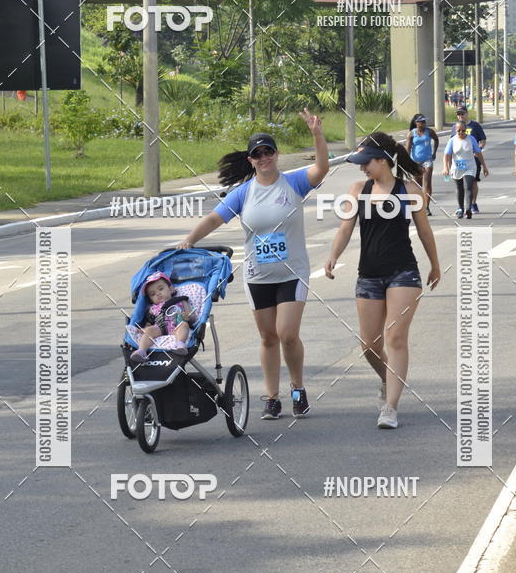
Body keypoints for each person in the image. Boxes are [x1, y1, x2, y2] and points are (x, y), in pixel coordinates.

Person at [177, 111, 329, 420]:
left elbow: (322, 169)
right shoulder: (244, 193)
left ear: (276, 154)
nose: (264, 158)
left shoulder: (294, 183)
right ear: (250, 160)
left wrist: (316, 134)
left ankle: (297, 388)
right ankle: (272, 397)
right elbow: (214, 218)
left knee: (287, 333)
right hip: (258, 275)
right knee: (268, 337)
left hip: (292, 272)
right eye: (257, 154)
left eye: (268, 152)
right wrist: (189, 240)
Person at [324, 133, 441, 430]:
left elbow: (424, 231)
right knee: (369, 345)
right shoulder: (357, 190)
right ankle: (387, 379)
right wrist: (332, 256)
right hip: (369, 275)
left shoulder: (409, 189)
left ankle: (390, 407)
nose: (362, 168)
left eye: (367, 163)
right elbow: (345, 229)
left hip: (404, 273)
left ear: (384, 161)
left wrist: (435, 265)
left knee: (396, 337)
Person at [130, 272, 194, 362]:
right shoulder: (152, 308)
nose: (158, 294)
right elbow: (150, 321)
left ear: (171, 289)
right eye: (153, 294)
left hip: (177, 326)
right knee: (149, 331)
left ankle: (179, 344)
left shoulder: (180, 301)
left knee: (184, 325)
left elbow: (192, 316)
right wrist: (145, 328)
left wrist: (188, 317)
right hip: (159, 329)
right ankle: (141, 351)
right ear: (150, 299)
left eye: (161, 289)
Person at [444, 122, 489, 218]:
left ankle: (468, 209)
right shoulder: (452, 141)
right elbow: (447, 155)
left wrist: (484, 167)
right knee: (459, 189)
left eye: (463, 130)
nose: (461, 132)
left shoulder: (471, 139)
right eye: (458, 130)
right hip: (457, 167)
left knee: (468, 186)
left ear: (466, 130)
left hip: (470, 166)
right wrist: (446, 167)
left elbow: (479, 153)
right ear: (456, 130)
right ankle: (460, 208)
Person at [451, 106, 486, 213]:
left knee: (472, 183)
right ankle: (461, 206)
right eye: (458, 114)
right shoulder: (455, 127)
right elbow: (452, 143)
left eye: (462, 114)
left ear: (467, 114)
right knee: (460, 185)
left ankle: (473, 204)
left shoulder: (475, 125)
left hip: (472, 160)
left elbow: (483, 140)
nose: (460, 116)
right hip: (459, 161)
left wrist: (478, 150)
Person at [406, 114, 439, 216]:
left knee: (427, 184)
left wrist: (434, 153)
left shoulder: (429, 131)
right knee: (417, 186)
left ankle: (426, 207)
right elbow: (407, 148)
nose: (424, 123)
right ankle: (417, 206)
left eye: (424, 121)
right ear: (416, 123)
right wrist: (406, 161)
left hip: (427, 160)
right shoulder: (412, 134)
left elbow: (436, 139)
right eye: (421, 122)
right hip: (416, 162)